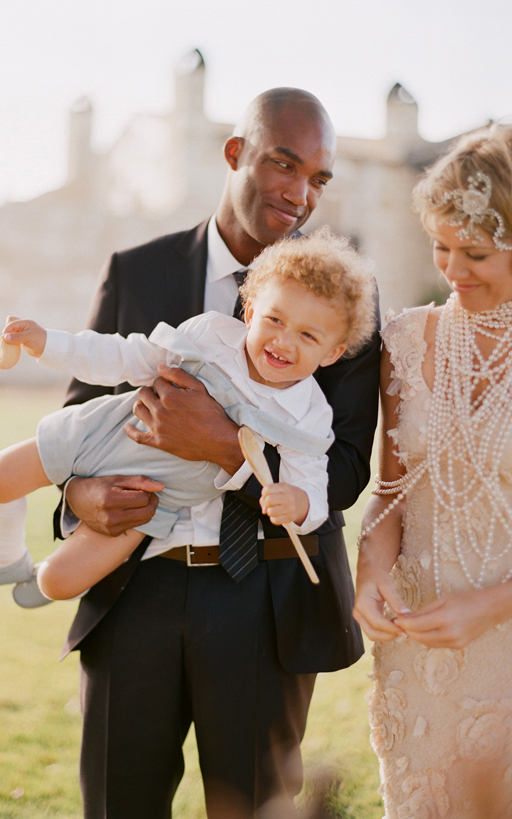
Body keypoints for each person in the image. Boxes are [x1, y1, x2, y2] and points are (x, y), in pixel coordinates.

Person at [54, 88, 379, 819]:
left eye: (319, 180)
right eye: (284, 164)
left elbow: (350, 462)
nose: (300, 195)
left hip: (269, 601)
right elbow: (79, 412)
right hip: (134, 588)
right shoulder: (137, 271)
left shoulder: (347, 297)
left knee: (257, 807)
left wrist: (230, 455)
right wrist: (81, 496)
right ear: (235, 154)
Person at [0, 230, 376, 605]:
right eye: (275, 319)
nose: (283, 341)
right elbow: (127, 355)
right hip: (107, 431)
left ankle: (36, 574)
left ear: (333, 352)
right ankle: (0, 554)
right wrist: (50, 343)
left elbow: (313, 482)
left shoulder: (309, 415)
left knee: (58, 583)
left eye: (307, 334)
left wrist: (299, 504)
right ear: (252, 308)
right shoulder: (210, 335)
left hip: (152, 495)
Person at [353, 124, 512, 818]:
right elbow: (391, 490)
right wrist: (370, 568)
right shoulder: (407, 338)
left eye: (475, 251)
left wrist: (491, 604)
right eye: (440, 247)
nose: (453, 269)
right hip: (416, 659)